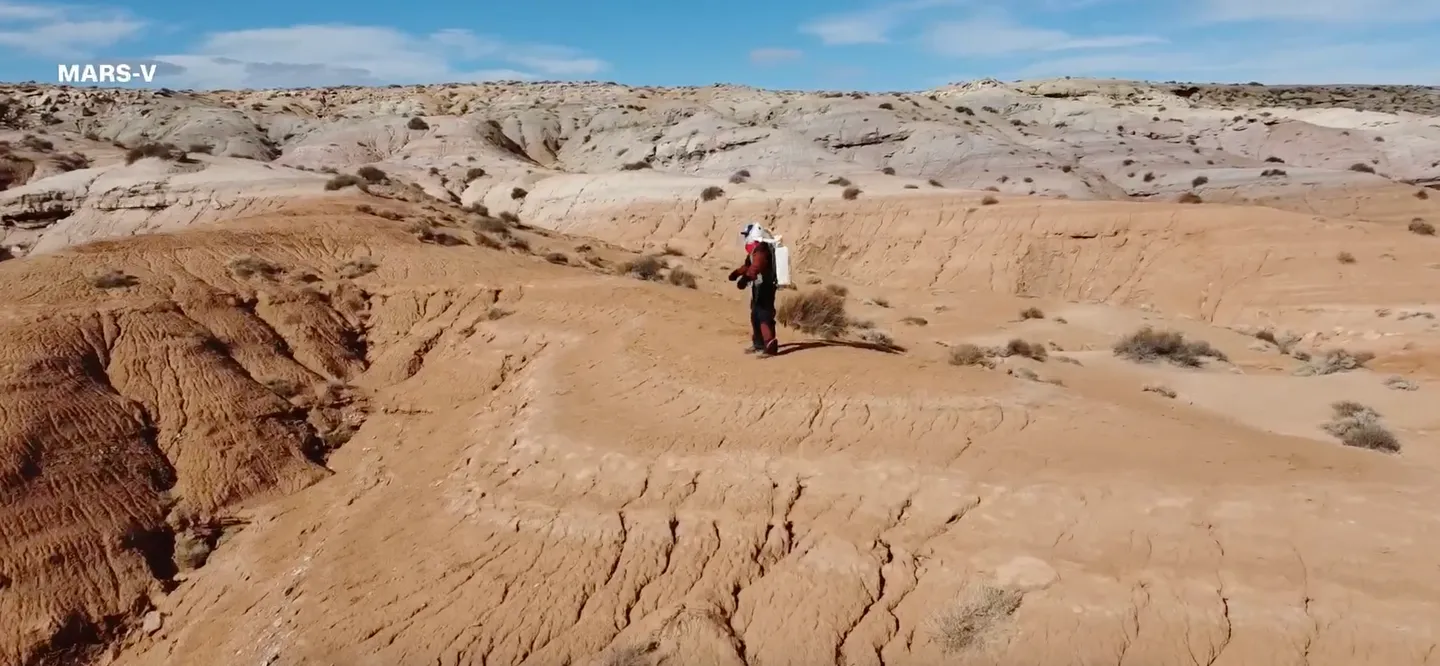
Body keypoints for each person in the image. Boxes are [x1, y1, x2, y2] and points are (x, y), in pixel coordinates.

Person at [728, 223, 780, 356]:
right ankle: (758, 344)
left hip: (766, 286)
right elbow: (748, 265)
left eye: (746, 235)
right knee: (755, 314)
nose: (745, 238)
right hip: (759, 285)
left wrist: (745, 279)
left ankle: (770, 345)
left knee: (764, 314)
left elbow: (756, 267)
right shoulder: (755, 249)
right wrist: (737, 273)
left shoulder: (761, 250)